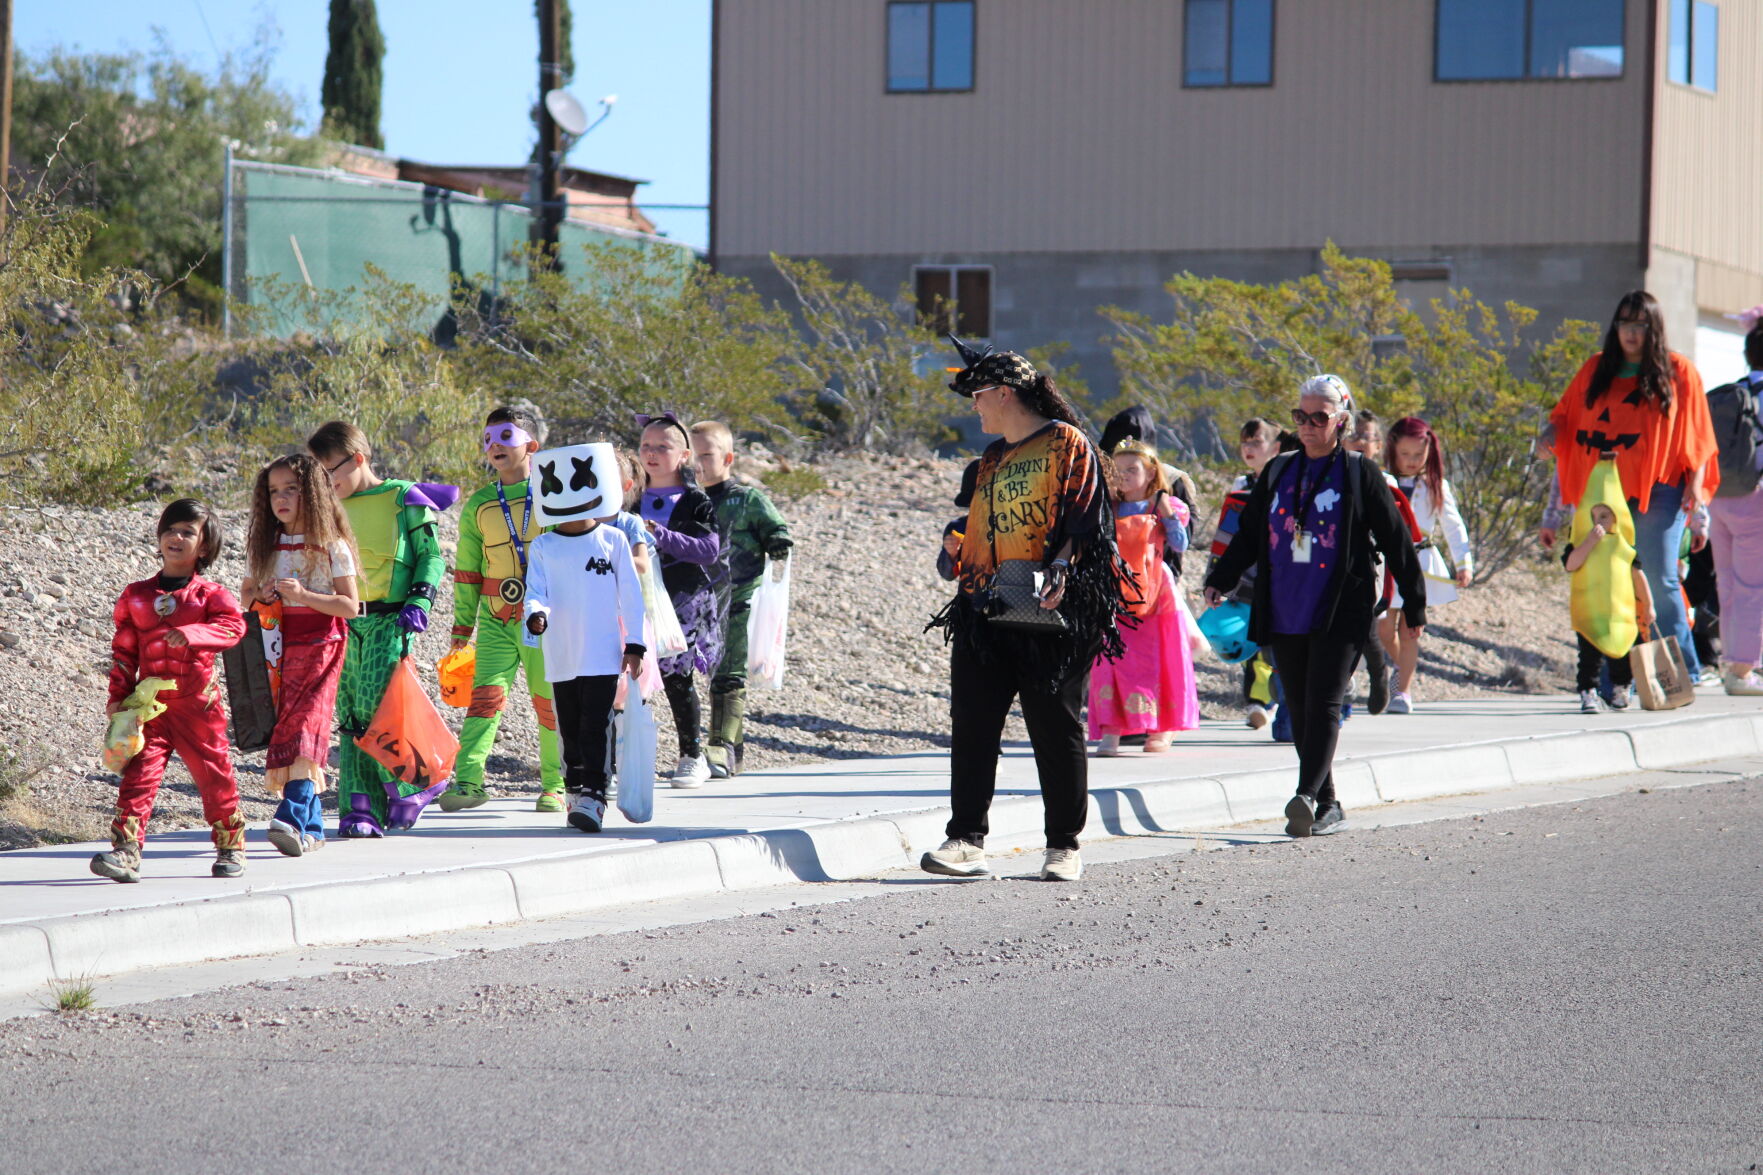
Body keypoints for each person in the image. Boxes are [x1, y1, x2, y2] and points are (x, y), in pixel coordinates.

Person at [922, 339, 1124, 882]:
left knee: (1054, 725)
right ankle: (965, 839)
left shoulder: (1066, 443)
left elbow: (1087, 523)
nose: (974, 406)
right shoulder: (988, 460)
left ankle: (1064, 845)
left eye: (979, 395)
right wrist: (955, 542)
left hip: (1050, 604)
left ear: (1005, 393)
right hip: (984, 605)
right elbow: (981, 529)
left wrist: (1061, 570)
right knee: (972, 724)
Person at [1205, 374, 1426, 839]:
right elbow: (1248, 534)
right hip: (1285, 605)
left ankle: (1304, 795)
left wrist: (1415, 607)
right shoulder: (1279, 470)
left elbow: (1395, 539)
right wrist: (1220, 579)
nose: (1307, 425)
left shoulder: (1358, 472)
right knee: (1301, 707)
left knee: (1324, 702)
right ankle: (1327, 802)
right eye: (1300, 416)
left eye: (1319, 417)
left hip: (1339, 607)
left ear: (1340, 421)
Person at [1548, 290, 1720, 684]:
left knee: (1658, 578)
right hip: (1605, 494)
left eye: (1640, 325)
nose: (1631, 332)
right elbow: (1564, 416)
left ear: (1653, 328)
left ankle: (1678, 673)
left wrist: (1695, 488)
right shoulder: (1595, 369)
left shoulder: (1679, 372)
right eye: (1624, 323)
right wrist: (1547, 436)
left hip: (1661, 489)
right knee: (1613, 580)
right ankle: (1616, 679)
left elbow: (1700, 438)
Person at [308, 421, 459, 837]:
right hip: (345, 620)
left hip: (392, 618)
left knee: (379, 703)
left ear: (357, 459)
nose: (326, 482)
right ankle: (361, 806)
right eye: (318, 475)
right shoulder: (331, 509)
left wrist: (420, 599)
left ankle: (415, 782)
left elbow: (431, 555)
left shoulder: (402, 497)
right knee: (351, 714)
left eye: (330, 471)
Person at [91, 500, 249, 883]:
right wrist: (118, 695)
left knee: (214, 775)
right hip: (151, 705)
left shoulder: (211, 595)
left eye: (188, 532)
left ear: (205, 547)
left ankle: (230, 846)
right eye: (171, 529)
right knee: (138, 775)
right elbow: (125, 650)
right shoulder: (136, 595)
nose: (176, 538)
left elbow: (234, 628)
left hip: (198, 704)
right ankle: (125, 851)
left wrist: (194, 634)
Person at [521, 443, 648, 833]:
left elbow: (631, 595)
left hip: (602, 653)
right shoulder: (544, 545)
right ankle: (574, 785)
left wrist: (636, 644)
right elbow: (536, 592)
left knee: (597, 724)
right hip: (561, 654)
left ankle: (594, 793)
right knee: (570, 726)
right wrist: (536, 616)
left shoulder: (613, 541)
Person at [444, 406, 565, 813]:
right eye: (488, 438)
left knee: (548, 702)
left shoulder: (554, 495)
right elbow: (467, 570)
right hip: (495, 618)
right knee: (484, 701)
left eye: (505, 436)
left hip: (545, 619)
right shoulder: (478, 504)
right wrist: (462, 626)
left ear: (532, 445)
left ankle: (556, 783)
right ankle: (469, 781)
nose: (494, 445)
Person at [242, 454, 360, 857]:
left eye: (291, 488)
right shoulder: (266, 545)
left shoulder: (332, 544)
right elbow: (245, 595)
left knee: (308, 725)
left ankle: (290, 814)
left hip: (322, 642)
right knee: (288, 726)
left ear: (312, 492)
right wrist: (260, 595)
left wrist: (305, 595)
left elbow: (350, 606)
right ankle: (311, 827)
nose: (281, 498)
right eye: (274, 491)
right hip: (276, 646)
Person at [689, 420, 793, 778]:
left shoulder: (746, 499)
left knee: (728, 675)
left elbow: (777, 530)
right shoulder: (689, 502)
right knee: (700, 674)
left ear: (728, 457)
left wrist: (777, 541)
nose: (698, 463)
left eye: (706, 454)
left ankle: (719, 747)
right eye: (692, 455)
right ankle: (734, 751)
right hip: (697, 603)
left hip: (739, 600)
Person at [1088, 439, 1198, 755]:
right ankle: (1112, 727)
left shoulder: (1164, 505)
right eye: (1118, 470)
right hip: (1113, 589)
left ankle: (1160, 727)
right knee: (1111, 658)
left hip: (1154, 592)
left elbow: (1180, 545)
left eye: (1132, 469)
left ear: (1151, 473)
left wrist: (1168, 514)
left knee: (1159, 658)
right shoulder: (1107, 507)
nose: (1123, 475)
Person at [636, 411, 722, 787]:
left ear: (684, 456)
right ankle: (624, 756)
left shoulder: (695, 500)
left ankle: (692, 755)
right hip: (634, 594)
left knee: (676, 675)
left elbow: (709, 550)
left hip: (682, 598)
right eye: (645, 446)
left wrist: (661, 535)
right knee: (626, 675)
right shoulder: (627, 496)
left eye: (662, 447)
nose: (651, 453)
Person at [1378, 417, 1473, 715]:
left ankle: (1403, 690)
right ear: (1392, 450)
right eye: (1404, 454)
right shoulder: (1380, 480)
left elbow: (1453, 526)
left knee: (1411, 629)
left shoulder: (1435, 486)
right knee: (1382, 628)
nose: (1411, 461)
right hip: (1386, 565)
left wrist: (1463, 562)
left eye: (1418, 455)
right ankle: (1399, 666)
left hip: (1419, 564)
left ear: (1430, 453)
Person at [1208, 418, 1282, 728]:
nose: (1249, 449)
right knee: (1250, 635)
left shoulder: (1287, 481)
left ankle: (1276, 696)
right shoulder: (1241, 486)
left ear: (1276, 447)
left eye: (1257, 442)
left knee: (1278, 643)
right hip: (1245, 575)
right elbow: (1227, 532)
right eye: (1245, 443)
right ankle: (1257, 700)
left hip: (1281, 574)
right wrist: (1217, 575)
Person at [1563, 465, 1654, 713]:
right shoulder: (1580, 542)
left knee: (1622, 652)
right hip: (1589, 611)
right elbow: (1571, 565)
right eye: (1593, 516)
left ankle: (1620, 689)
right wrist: (1589, 542)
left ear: (1617, 516)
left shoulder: (1624, 547)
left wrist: (1648, 605)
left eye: (1605, 516)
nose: (1598, 522)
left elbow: (1638, 576)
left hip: (1620, 613)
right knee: (1589, 657)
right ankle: (1588, 692)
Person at [1706, 319, 1763, 694]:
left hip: (1718, 497)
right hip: (1755, 499)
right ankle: (1741, 671)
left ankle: (1732, 662)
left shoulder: (1732, 392)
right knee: (1752, 586)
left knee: (1727, 583)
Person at [1342, 410, 1393, 712]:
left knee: (1367, 631)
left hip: (1372, 566)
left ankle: (1378, 672)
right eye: (1354, 435)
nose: (1360, 441)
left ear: (1379, 444)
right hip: (1335, 564)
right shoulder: (1334, 474)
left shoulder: (1384, 481)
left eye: (1367, 436)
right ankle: (1342, 692)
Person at [937, 460, 982, 582]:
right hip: (973, 595)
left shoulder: (1018, 526)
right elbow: (947, 574)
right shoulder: (959, 527)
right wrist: (951, 554)